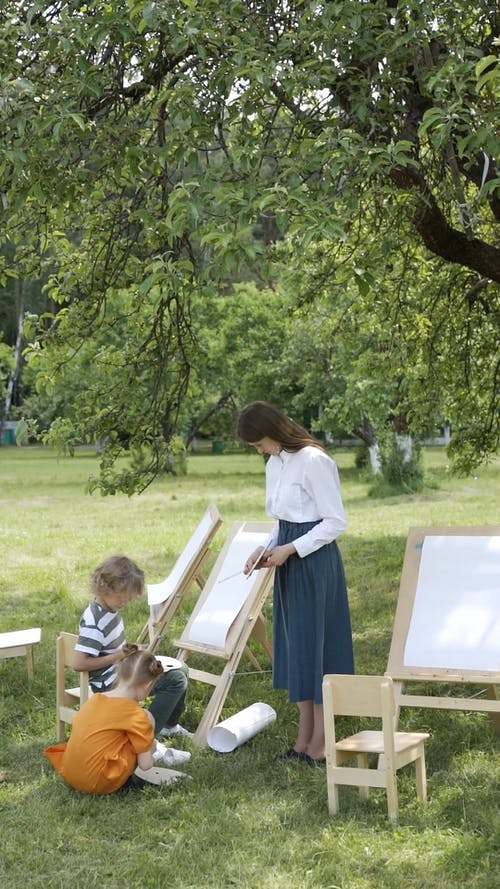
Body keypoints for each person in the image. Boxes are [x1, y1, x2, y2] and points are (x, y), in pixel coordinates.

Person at [237, 401, 354, 764]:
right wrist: (266, 548)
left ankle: (321, 742)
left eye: (258, 443)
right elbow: (283, 520)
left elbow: (335, 522)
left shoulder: (314, 460)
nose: (259, 451)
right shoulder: (275, 462)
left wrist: (291, 549)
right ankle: (303, 739)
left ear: (272, 431)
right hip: (289, 559)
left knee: (317, 648)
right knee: (298, 648)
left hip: (314, 562)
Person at [72, 554, 191, 741]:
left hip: (120, 671)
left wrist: (129, 651)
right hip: (110, 684)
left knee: (181, 668)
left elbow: (109, 647)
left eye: (128, 598)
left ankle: (168, 725)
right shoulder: (95, 621)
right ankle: (145, 736)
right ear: (106, 587)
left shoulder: (109, 610)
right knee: (175, 680)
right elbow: (79, 663)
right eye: (122, 597)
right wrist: (119, 656)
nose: (125, 602)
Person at [45, 644, 171, 793]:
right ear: (148, 684)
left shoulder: (95, 699)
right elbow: (145, 765)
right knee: (147, 719)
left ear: (120, 673)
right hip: (99, 782)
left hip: (70, 773)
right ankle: (122, 778)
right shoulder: (137, 716)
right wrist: (150, 748)